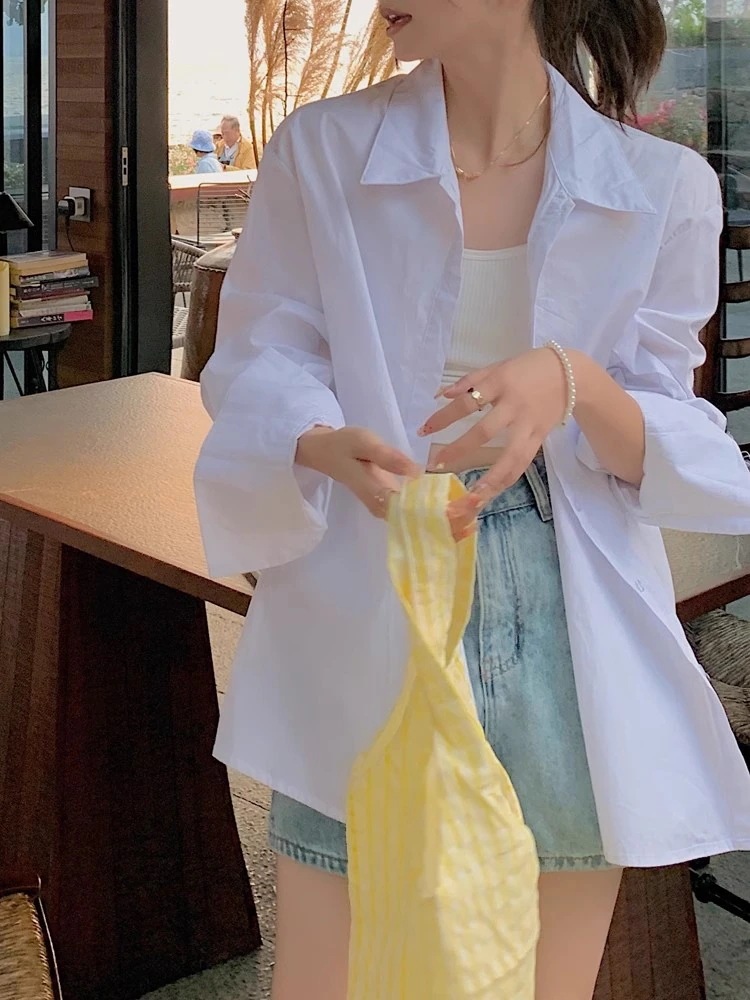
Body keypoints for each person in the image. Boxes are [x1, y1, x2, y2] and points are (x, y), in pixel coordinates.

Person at [195, 2, 750, 998]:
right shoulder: (323, 150)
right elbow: (261, 353)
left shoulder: (664, 186)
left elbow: (673, 429)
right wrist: (314, 438)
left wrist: (574, 381)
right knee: (328, 972)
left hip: (568, 608)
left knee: (539, 978)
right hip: (381, 568)